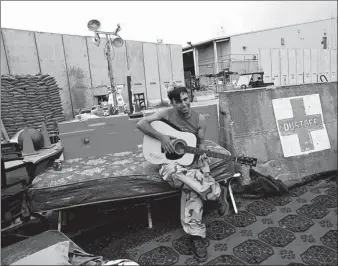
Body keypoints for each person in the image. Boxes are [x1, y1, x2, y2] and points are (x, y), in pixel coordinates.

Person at [136, 86, 229, 262]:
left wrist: (202, 159)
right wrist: (162, 137)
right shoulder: (166, 114)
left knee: (190, 189)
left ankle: (196, 237)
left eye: (186, 99)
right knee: (174, 172)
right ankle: (216, 192)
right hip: (170, 164)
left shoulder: (200, 120)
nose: (184, 104)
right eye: (179, 101)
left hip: (191, 162)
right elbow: (141, 124)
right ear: (173, 103)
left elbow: (200, 145)